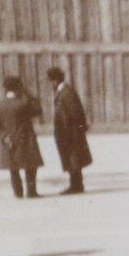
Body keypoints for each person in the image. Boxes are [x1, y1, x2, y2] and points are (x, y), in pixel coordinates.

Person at [0, 75, 43, 199]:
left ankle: (18, 192)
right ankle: (31, 191)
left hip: (9, 140)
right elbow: (38, 110)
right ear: (18, 88)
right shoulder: (23, 103)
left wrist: (3, 136)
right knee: (30, 166)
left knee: (13, 168)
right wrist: (27, 93)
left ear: (5, 89)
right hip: (25, 138)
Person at [46, 66, 92, 194]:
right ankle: (76, 184)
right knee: (72, 158)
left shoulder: (66, 92)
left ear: (55, 80)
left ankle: (76, 185)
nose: (50, 84)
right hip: (69, 131)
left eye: (51, 81)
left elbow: (75, 113)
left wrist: (72, 130)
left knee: (73, 158)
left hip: (70, 132)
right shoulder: (65, 91)